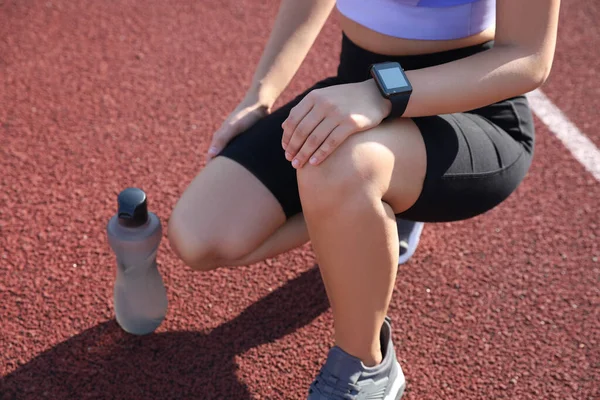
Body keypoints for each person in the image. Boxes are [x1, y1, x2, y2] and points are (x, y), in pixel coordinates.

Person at [168, 0, 560, 398]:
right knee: (200, 238)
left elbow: (529, 58)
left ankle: (366, 365)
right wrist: (261, 93)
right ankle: (373, 200)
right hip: (357, 93)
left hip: (467, 111)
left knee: (346, 166)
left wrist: (383, 94)